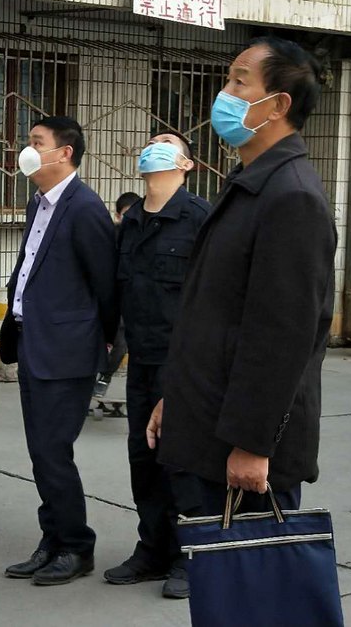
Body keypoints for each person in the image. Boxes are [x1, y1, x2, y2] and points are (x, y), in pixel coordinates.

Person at [147, 37, 336, 525]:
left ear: (277, 105)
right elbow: (213, 313)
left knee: (249, 570)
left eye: (238, 82)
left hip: (244, 448)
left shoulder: (292, 197)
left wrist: (253, 444)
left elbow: (282, 337)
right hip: (209, 422)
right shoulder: (249, 183)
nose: (224, 93)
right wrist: (178, 399)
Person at [0, 116, 117, 585]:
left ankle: (75, 546)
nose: (26, 150)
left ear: (64, 152)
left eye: (36, 142)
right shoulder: (39, 204)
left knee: (53, 450)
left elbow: (106, 285)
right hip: (33, 342)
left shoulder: (84, 208)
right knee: (41, 451)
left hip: (67, 351)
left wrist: (102, 345)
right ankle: (52, 540)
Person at [104, 132, 210, 598]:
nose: (155, 147)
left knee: (182, 461)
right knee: (143, 460)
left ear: (187, 165)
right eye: (152, 142)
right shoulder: (129, 223)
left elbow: (212, 299)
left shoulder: (200, 219)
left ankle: (192, 556)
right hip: (142, 361)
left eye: (167, 143)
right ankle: (152, 549)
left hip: (183, 362)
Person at [92, 191, 140, 400]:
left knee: (121, 342)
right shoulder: (110, 235)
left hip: (132, 299)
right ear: (118, 215)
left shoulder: (146, 236)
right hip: (108, 296)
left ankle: (105, 377)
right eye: (126, 215)